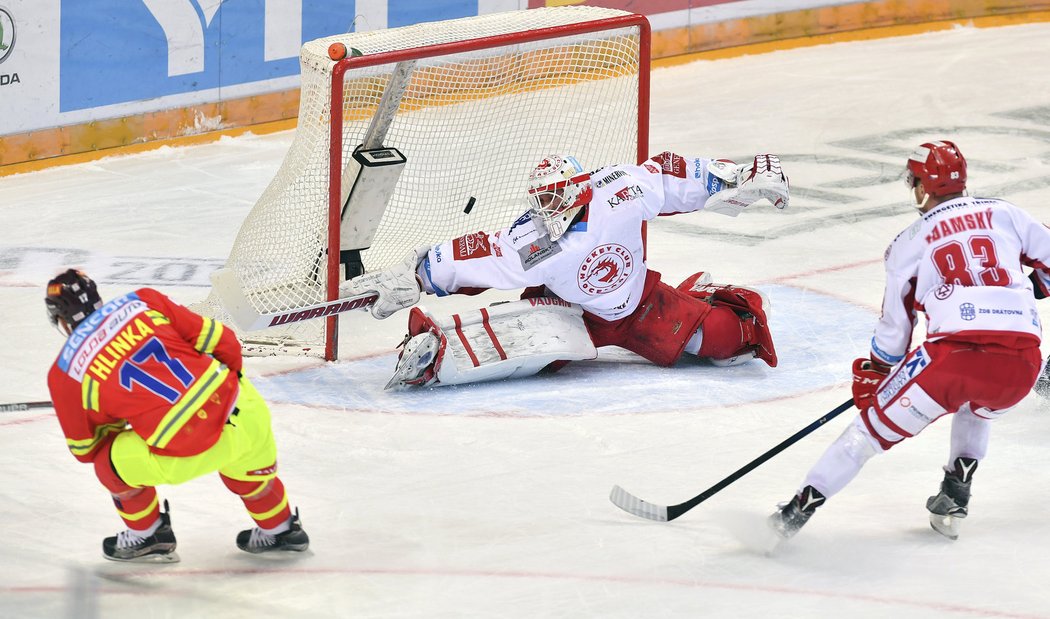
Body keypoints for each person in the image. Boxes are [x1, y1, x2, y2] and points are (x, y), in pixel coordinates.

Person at [768, 140, 1049, 542]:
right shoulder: (1006, 213)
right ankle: (956, 490)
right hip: (1022, 365)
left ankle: (793, 516)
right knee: (979, 408)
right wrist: (1034, 286)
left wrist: (878, 372)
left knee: (865, 436)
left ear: (921, 186)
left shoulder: (908, 242)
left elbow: (895, 332)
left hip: (953, 361)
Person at [340, 151, 790, 389]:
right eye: (541, 199)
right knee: (523, 355)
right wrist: (415, 274)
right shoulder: (534, 241)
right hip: (567, 313)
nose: (546, 208)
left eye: (555, 197)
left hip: (641, 303)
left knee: (728, 338)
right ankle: (437, 355)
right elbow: (477, 254)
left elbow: (672, 178)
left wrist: (740, 177)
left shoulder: (619, 191)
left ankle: (702, 297)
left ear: (579, 190)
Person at [45, 269, 310, 562]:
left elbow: (86, 449)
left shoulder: (65, 374)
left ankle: (149, 534)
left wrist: (125, 413)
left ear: (59, 318)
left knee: (108, 464)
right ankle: (283, 529)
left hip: (186, 447)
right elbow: (226, 342)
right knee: (252, 473)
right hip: (244, 411)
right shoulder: (143, 300)